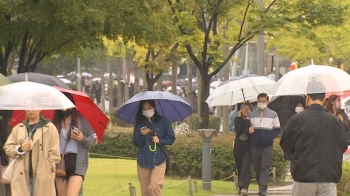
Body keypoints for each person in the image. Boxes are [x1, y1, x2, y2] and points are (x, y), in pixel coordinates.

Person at [280, 81, 348, 196]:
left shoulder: (297, 120)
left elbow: (286, 144)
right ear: (324, 98)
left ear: (307, 97)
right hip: (328, 175)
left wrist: (296, 158)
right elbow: (343, 144)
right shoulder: (335, 121)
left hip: (303, 175)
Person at [3, 107, 61, 196]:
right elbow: (8, 147)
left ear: (40, 108)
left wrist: (48, 167)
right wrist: (20, 148)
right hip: (21, 175)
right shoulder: (18, 128)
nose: (30, 110)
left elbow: (55, 153)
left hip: (43, 175)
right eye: (28, 107)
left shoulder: (50, 128)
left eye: (33, 107)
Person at [53, 93, 97, 196]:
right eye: (61, 105)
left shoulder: (81, 121)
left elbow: (94, 140)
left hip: (77, 162)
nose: (64, 108)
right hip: (60, 161)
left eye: (66, 104)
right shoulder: (55, 123)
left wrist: (82, 139)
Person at [133, 100, 176, 196]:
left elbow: (171, 138)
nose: (147, 111)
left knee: (154, 187)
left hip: (159, 159)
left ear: (154, 108)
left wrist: (160, 140)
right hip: (143, 160)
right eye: (144, 109)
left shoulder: (164, 121)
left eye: (149, 108)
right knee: (145, 191)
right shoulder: (139, 123)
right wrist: (141, 135)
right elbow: (136, 142)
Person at [248, 93, 281, 196]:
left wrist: (270, 137)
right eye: (260, 101)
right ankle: (260, 185)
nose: (261, 103)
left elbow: (277, 129)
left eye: (264, 101)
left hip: (267, 146)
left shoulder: (273, 114)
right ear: (257, 101)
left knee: (265, 166)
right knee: (257, 167)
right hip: (255, 145)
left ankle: (263, 188)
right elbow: (247, 128)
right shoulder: (252, 115)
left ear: (267, 102)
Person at [234, 103, 254, 196]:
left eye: (247, 108)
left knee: (246, 166)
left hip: (248, 146)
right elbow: (239, 130)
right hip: (239, 147)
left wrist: (249, 119)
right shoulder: (238, 120)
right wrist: (239, 118)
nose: (245, 110)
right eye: (244, 109)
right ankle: (240, 187)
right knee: (240, 166)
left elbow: (251, 132)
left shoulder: (252, 120)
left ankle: (244, 187)